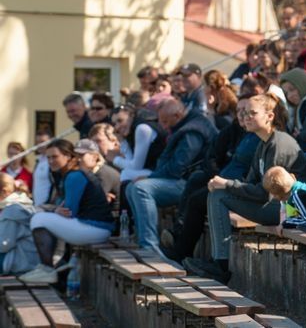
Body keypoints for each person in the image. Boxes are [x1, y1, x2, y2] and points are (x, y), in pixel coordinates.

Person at [183, 93, 306, 282]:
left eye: (253, 113)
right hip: (277, 205)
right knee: (217, 193)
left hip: (292, 210)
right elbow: (251, 184)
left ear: (269, 116)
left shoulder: (279, 143)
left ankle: (221, 266)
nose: (246, 117)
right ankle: (218, 262)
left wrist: (226, 184)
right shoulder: (263, 143)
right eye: (245, 113)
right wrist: (224, 185)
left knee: (219, 196)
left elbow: (265, 194)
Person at [162, 95, 260, 264]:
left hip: (239, 186)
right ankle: (180, 229)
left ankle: (188, 252)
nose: (242, 115)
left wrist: (225, 181)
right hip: (223, 177)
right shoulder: (233, 129)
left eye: (247, 112)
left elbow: (251, 172)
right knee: (197, 179)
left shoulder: (257, 137)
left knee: (199, 200)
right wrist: (217, 175)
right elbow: (212, 155)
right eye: (239, 111)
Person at [126, 98, 217, 251]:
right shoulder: (187, 125)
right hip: (181, 179)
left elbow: (177, 168)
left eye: (165, 121)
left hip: (190, 184)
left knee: (141, 188)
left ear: (177, 115)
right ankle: (140, 239)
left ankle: (149, 246)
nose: (163, 126)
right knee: (130, 187)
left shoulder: (193, 132)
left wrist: (150, 177)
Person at [19, 140, 114, 284]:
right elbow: (61, 207)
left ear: (68, 156)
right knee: (41, 216)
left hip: (96, 229)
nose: (51, 161)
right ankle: (46, 268)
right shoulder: (69, 173)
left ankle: (47, 270)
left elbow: (69, 212)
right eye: (48, 157)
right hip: (94, 227)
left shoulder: (74, 175)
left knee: (38, 219)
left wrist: (51, 209)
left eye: (55, 157)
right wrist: (54, 209)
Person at [74, 139, 120, 205]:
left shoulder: (103, 174)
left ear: (94, 157)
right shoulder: (88, 172)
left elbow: (95, 200)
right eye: (76, 155)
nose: (78, 159)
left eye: (81, 155)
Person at [279, 68, 306, 140]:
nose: (289, 96)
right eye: (286, 93)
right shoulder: (292, 110)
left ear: (303, 84)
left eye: (292, 89)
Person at [30, 131, 53, 206]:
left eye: (42, 142)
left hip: (48, 206)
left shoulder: (52, 162)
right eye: (37, 142)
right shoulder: (38, 161)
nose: (39, 145)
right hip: (37, 205)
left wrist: (49, 204)